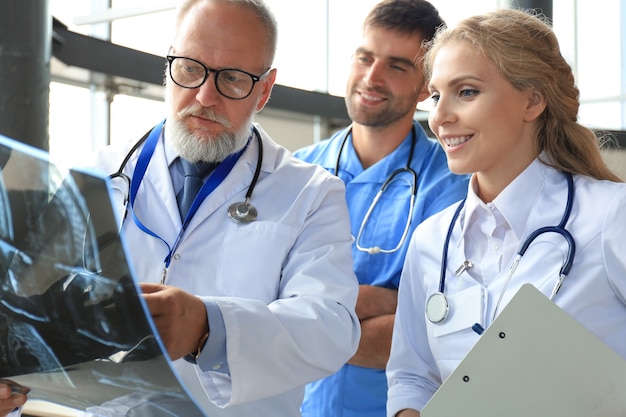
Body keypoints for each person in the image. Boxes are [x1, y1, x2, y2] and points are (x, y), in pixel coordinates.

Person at [1, 0, 361, 416]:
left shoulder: (311, 193)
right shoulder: (98, 175)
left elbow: (330, 329)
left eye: (232, 78)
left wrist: (207, 327)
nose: (206, 96)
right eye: (190, 68)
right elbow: (31, 303)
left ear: (264, 89)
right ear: (168, 64)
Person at [386, 8, 626, 417]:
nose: (440, 117)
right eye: (436, 96)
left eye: (467, 92)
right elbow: (412, 376)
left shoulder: (609, 216)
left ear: (532, 100)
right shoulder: (431, 240)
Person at [293, 1, 469, 416]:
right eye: (364, 57)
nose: (372, 77)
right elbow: (262, 297)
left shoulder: (452, 185)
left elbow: (440, 329)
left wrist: (302, 321)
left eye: (396, 66)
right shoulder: (295, 173)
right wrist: (389, 302)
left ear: (426, 86)